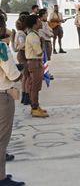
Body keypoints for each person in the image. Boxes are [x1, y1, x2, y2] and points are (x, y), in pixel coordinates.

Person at [0, 16, 25, 186]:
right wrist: (20, 72)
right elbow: (12, 74)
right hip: (2, 96)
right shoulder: (1, 47)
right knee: (2, 139)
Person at [25, 15, 48, 118]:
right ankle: (34, 108)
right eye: (39, 21)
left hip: (34, 62)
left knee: (35, 85)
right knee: (35, 86)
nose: (40, 23)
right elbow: (38, 52)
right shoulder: (33, 36)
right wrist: (43, 43)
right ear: (34, 24)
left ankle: (35, 106)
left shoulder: (34, 34)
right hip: (35, 62)